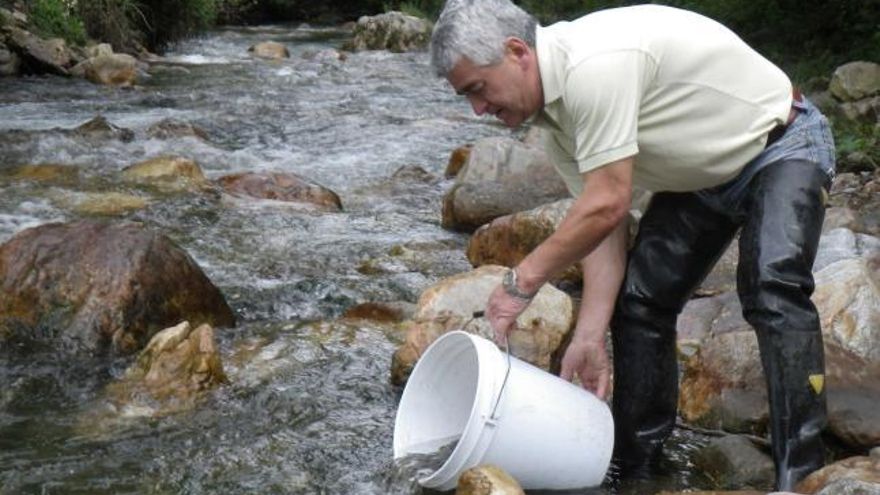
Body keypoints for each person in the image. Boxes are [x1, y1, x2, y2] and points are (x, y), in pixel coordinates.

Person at [430, 0, 836, 491]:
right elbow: (601, 225)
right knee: (641, 301)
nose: (478, 109)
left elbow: (607, 202)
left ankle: (804, 473)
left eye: (478, 89)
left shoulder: (593, 65)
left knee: (772, 285)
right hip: (701, 178)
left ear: (517, 52)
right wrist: (588, 334)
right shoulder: (557, 126)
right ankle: (638, 465)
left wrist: (520, 285)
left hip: (782, 143)